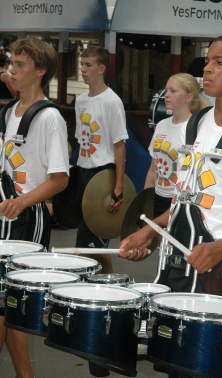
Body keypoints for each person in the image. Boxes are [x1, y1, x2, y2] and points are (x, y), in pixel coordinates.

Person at [119, 33, 222, 308]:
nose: (207, 68)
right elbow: (188, 196)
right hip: (174, 258)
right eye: (208, 60)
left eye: (219, 62)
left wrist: (221, 248)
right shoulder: (196, 123)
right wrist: (152, 230)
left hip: (218, 268)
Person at [0, 38, 69, 378]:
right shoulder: (7, 112)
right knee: (8, 310)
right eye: (11, 62)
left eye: (21, 65)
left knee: (4, 307)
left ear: (41, 71)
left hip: (27, 220)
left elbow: (59, 179)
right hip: (4, 217)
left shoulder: (50, 118)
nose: (12, 68)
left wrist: (21, 202)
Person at [75, 45, 128, 274]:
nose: (83, 70)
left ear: (102, 68)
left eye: (89, 65)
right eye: (82, 65)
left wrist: (118, 187)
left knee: (89, 243)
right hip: (83, 171)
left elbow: (119, 145)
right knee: (91, 245)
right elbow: (81, 141)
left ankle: (108, 288)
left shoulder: (112, 101)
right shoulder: (80, 101)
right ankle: (105, 283)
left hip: (103, 172)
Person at [144, 73, 207, 218]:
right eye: (166, 90)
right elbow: (153, 170)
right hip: (157, 198)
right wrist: (146, 201)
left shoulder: (195, 129)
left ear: (188, 97)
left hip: (181, 202)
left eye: (173, 91)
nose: (166, 95)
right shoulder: (161, 125)